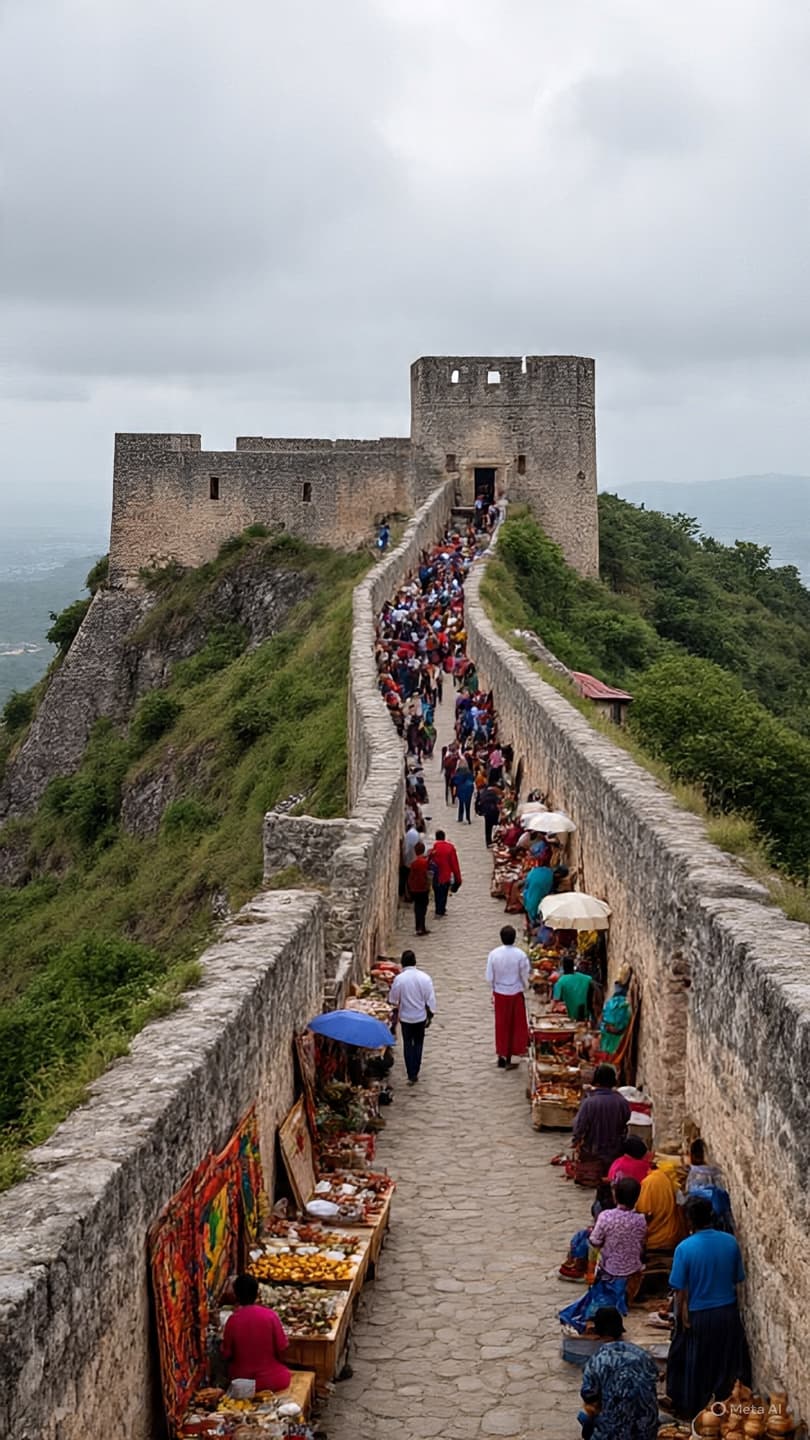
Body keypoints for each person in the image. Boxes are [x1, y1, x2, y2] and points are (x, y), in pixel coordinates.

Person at [666, 1196, 751, 1415]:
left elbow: (680, 1289)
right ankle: (724, 1406)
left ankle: (693, 1408)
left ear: (689, 1221)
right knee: (724, 1361)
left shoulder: (684, 1249)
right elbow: (736, 1277)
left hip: (699, 1314)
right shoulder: (730, 1242)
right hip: (727, 1311)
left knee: (696, 1362)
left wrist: (681, 1315)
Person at [578, 1307, 659, 1440]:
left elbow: (588, 1395)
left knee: (585, 1417)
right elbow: (654, 1377)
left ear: (598, 1331)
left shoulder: (597, 1360)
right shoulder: (642, 1354)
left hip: (615, 1432)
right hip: (647, 1429)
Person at [221, 1273, 291, 1393]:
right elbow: (282, 1348)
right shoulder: (270, 1316)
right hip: (274, 1381)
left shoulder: (232, 1321)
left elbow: (227, 1354)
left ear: (236, 1296)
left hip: (244, 1385)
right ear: (257, 1293)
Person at [588, 1177, 647, 1305]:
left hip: (609, 1270)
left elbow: (594, 1244)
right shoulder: (641, 1220)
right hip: (633, 1271)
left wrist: (590, 1271)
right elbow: (641, 1244)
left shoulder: (605, 1216)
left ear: (615, 1196)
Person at [388, 949, 437, 1084]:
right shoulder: (425, 978)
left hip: (406, 1018)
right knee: (419, 1043)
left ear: (403, 963)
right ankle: (416, 1068)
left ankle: (411, 1072)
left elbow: (393, 999)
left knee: (408, 1044)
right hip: (420, 1017)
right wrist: (431, 1014)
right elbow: (430, 999)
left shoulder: (399, 979)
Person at [572, 1065, 631, 1175]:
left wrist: (576, 1140)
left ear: (596, 1082)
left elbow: (579, 1126)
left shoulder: (589, 1102)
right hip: (615, 1151)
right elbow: (626, 1121)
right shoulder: (622, 1101)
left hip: (593, 1152)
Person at [485, 924, 530, 1069]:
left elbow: (489, 976)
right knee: (515, 1025)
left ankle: (501, 1054)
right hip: (515, 992)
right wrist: (526, 986)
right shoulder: (520, 955)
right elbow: (524, 974)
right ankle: (511, 1056)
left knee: (501, 1025)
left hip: (500, 993)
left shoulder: (494, 954)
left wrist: (493, 989)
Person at [637, 1166, 685, 1253]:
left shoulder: (648, 1183)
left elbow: (643, 1211)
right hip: (671, 1239)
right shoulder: (668, 1182)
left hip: (652, 1243)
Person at [428, 828, 462, 917]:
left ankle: (438, 910)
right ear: (444, 837)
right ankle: (441, 910)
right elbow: (455, 865)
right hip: (445, 876)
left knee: (437, 893)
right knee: (443, 894)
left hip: (436, 876)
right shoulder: (450, 848)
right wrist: (458, 879)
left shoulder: (433, 849)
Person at [553, 955, 594, 1021]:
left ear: (563, 967)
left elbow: (555, 1001)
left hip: (572, 1016)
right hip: (587, 1014)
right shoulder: (586, 978)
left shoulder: (560, 981)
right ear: (573, 966)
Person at [408, 841, 432, 936]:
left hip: (414, 888)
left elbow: (411, 877)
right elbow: (427, 875)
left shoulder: (413, 863)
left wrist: (410, 887)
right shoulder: (424, 863)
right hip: (423, 888)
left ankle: (418, 926)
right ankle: (422, 927)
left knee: (417, 907)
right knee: (423, 908)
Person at [478, 780, 502, 848]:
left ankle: (488, 842)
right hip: (493, 813)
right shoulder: (494, 794)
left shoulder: (484, 792)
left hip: (486, 813)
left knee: (488, 828)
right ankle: (495, 840)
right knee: (497, 826)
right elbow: (498, 804)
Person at [453, 756, 475, 824]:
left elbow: (456, 781)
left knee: (461, 804)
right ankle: (468, 818)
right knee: (468, 805)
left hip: (461, 790)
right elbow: (472, 779)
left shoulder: (458, 772)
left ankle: (460, 818)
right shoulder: (469, 772)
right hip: (469, 790)